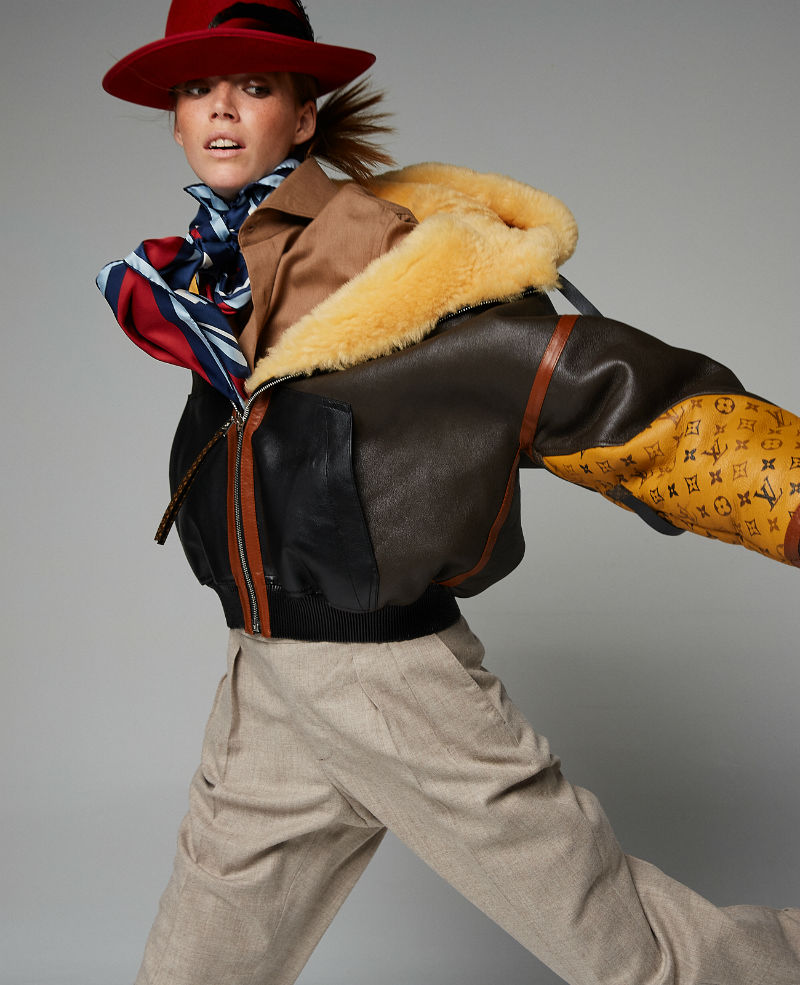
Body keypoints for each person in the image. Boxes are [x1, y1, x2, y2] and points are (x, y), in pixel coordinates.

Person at [97, 1, 800, 983]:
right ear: (175, 119)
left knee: (633, 958)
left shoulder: (387, 260)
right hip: (267, 671)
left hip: (390, 686)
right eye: (196, 89)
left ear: (303, 116)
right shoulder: (216, 280)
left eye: (254, 87)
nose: (221, 109)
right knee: (198, 964)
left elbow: (600, 390)